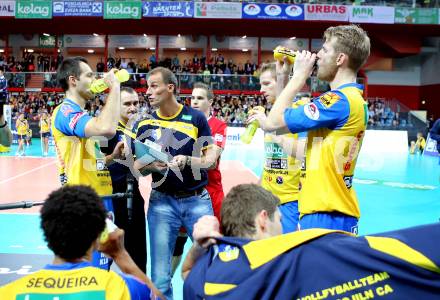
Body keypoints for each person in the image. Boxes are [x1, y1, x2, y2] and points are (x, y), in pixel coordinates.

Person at [182, 184, 440, 300]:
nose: (284, 228)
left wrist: (199, 246)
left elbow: (186, 273)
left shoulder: (204, 277)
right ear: (263, 220)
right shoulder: (316, 250)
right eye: (279, 220)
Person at [264, 25, 371, 233]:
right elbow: (282, 130)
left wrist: (299, 76)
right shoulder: (349, 100)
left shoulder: (339, 101)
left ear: (340, 59)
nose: (317, 55)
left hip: (327, 215)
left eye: (324, 50)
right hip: (326, 211)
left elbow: (273, 122)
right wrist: (283, 78)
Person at [134, 67, 216, 299]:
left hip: (198, 201)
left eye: (154, 86)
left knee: (210, 268)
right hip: (161, 203)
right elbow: (137, 169)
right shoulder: (143, 124)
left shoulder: (196, 118)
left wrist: (189, 160)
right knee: (160, 276)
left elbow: (210, 160)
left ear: (170, 88)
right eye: (147, 87)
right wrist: (151, 166)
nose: (148, 92)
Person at [0, 185, 162, 299]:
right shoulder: (122, 288)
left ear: (46, 230)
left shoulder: (8, 293)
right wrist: (121, 255)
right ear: (98, 235)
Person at [51, 56, 121, 269]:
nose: (94, 79)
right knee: (88, 273)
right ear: (73, 80)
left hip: (100, 198)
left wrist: (110, 159)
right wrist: (115, 87)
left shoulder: (83, 114)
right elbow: (106, 129)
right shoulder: (65, 111)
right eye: (89, 75)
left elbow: (92, 163)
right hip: (82, 202)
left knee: (102, 269)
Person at [171, 82, 227, 276]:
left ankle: (210, 284)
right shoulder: (183, 123)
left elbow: (211, 161)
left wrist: (186, 160)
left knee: (210, 243)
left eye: (200, 98)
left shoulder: (218, 125)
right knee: (178, 243)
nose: (194, 101)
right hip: (184, 192)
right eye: (192, 97)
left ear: (210, 102)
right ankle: (164, 285)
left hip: (210, 192)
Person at [247, 62, 307, 233]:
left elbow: (304, 154)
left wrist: (270, 130)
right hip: (267, 199)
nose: (261, 90)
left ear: (281, 82)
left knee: (285, 252)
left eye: (266, 84)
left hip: (289, 202)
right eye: (260, 84)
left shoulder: (301, 110)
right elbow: (272, 160)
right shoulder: (271, 116)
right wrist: (256, 190)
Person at [101, 86, 147, 273]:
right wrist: (112, 156)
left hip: (133, 195)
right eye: (127, 103)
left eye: (136, 103)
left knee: (138, 258)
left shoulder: (139, 130)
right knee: (103, 259)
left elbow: (141, 170)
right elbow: (94, 166)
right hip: (110, 200)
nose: (133, 107)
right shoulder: (106, 131)